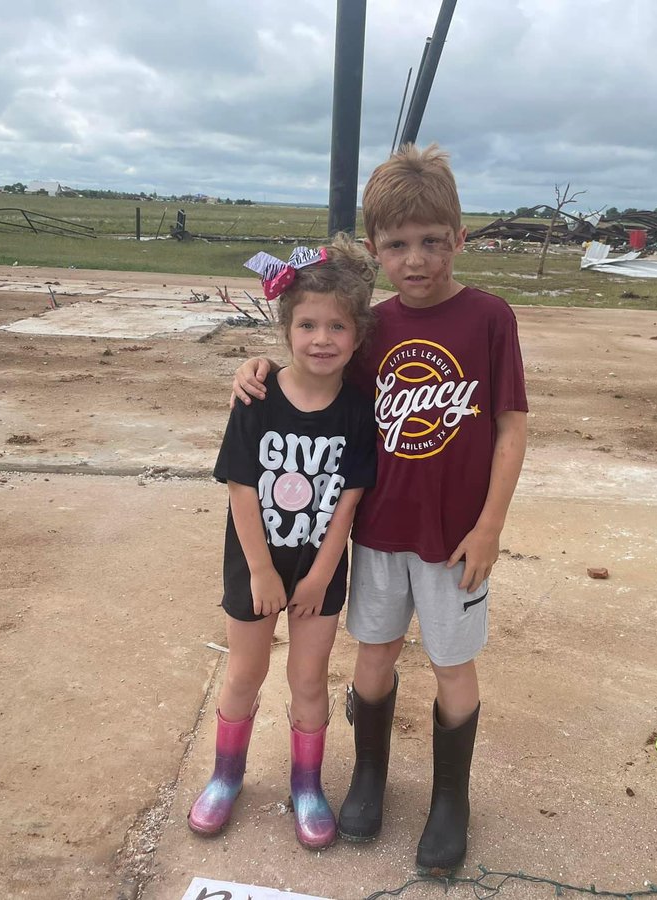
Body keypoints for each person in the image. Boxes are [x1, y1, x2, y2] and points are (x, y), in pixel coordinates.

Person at [232, 144, 528, 874]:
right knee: (375, 653)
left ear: (460, 237)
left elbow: (512, 424)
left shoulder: (490, 318)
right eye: (398, 245)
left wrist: (490, 526)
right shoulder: (373, 330)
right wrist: (257, 366)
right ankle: (369, 776)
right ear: (375, 250)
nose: (417, 260)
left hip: (458, 539)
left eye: (433, 241)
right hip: (380, 532)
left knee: (455, 663)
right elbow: (314, 363)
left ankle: (450, 798)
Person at [189, 236, 378, 851]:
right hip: (256, 565)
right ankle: (226, 776)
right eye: (307, 325)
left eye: (337, 327)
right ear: (285, 326)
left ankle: (306, 785)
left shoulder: (357, 406)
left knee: (308, 678)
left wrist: (323, 575)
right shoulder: (258, 395)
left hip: (319, 567)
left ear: (356, 334)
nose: (321, 338)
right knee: (245, 671)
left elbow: (349, 498)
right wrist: (262, 572)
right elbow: (241, 488)